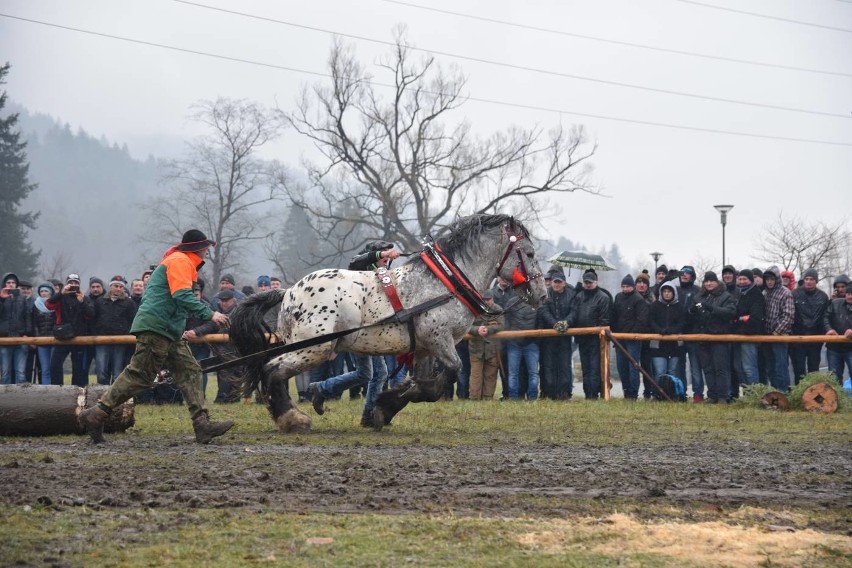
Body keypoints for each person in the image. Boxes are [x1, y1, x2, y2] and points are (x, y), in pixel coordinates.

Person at [77, 229, 235, 444]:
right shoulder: (180, 261)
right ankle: (96, 414)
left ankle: (202, 424)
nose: (207, 252)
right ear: (198, 248)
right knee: (139, 376)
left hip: (168, 330)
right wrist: (210, 313)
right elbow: (181, 295)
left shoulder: (181, 262)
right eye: (206, 247)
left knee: (190, 370)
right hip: (157, 327)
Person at [308, 240, 401, 426]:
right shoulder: (361, 269)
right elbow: (355, 261)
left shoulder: (384, 276)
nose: (387, 260)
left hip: (371, 330)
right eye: (383, 256)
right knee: (377, 374)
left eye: (388, 256)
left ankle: (322, 389)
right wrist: (381, 255)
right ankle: (367, 416)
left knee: (366, 374)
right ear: (375, 255)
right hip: (356, 330)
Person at [688, 271, 736, 403]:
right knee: (707, 368)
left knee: (720, 368)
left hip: (719, 337)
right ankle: (712, 395)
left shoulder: (726, 296)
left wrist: (712, 308)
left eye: (711, 281)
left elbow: (730, 312)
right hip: (703, 337)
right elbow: (691, 316)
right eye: (706, 281)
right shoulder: (698, 297)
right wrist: (692, 311)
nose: (709, 284)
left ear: (717, 282)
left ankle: (723, 396)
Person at [187, 289, 242, 403]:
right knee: (222, 373)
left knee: (232, 373)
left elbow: (214, 325)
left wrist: (197, 331)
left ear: (233, 300)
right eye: (222, 300)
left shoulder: (238, 311)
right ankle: (226, 398)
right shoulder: (215, 311)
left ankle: (226, 398)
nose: (224, 303)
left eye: (227, 300)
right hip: (220, 348)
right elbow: (211, 324)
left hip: (235, 347)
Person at [568, 269, 612, 399]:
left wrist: (595, 331)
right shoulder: (579, 296)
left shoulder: (603, 297)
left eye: (590, 282)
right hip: (582, 338)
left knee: (594, 367)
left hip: (595, 339)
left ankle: (594, 393)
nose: (588, 284)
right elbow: (574, 314)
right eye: (586, 282)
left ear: (596, 282)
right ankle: (587, 393)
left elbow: (604, 319)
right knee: (585, 367)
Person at [46, 274, 95, 386]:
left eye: (75, 283)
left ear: (79, 285)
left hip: (79, 338)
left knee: (78, 368)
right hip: (62, 337)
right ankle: (58, 391)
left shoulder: (84, 298)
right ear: (67, 284)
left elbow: (90, 315)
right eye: (70, 283)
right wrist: (60, 293)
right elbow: (48, 305)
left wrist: (82, 302)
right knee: (55, 365)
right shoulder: (60, 297)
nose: (73, 285)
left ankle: (76, 393)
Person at [92, 276, 138, 385]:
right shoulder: (100, 301)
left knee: (117, 372)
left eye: (121, 286)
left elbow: (133, 320)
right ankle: (102, 394)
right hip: (102, 340)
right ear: (110, 286)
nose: (118, 288)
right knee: (101, 371)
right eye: (116, 286)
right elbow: (93, 319)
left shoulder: (129, 303)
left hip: (120, 341)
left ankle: (115, 397)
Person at [537, 269, 575, 399]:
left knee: (565, 365)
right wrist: (554, 323)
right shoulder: (546, 294)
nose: (556, 284)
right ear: (551, 283)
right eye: (555, 282)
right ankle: (549, 392)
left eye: (559, 282)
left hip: (565, 336)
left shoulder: (571, 294)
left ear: (564, 283)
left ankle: (564, 392)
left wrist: (566, 323)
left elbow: (574, 311)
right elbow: (543, 310)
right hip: (549, 336)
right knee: (548, 365)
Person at [611, 274, 649, 400]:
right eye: (623, 286)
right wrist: (615, 334)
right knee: (621, 366)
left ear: (633, 287)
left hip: (633, 339)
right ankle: (626, 390)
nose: (625, 289)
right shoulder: (618, 297)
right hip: (619, 338)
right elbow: (614, 316)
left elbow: (641, 321)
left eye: (628, 286)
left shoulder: (638, 300)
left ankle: (633, 393)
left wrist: (631, 334)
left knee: (633, 366)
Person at [790, 268, 830, 385]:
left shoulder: (823, 296)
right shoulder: (795, 294)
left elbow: (824, 317)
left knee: (814, 370)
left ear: (816, 281)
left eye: (811, 279)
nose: (808, 281)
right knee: (799, 370)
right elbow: (791, 315)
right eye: (806, 279)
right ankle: (799, 395)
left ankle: (813, 396)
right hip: (797, 339)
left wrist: (821, 337)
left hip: (815, 339)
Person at [467, 290, 504, 400]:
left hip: (492, 348)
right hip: (476, 349)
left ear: (492, 299)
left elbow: (502, 325)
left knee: (490, 375)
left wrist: (488, 329)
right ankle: (474, 398)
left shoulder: (498, 309)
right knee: (475, 376)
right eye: (484, 299)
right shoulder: (473, 309)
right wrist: (476, 330)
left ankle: (487, 398)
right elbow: (466, 326)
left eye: (488, 299)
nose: (486, 301)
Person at [762, 266, 794, 392]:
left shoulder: (786, 293)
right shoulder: (764, 293)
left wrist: (777, 332)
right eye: (767, 279)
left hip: (780, 336)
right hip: (766, 336)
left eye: (772, 279)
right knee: (770, 367)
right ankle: (775, 392)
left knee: (781, 366)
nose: (769, 281)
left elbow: (789, 316)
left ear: (777, 279)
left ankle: (783, 392)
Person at [676, 265, 705, 402]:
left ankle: (698, 394)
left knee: (695, 367)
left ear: (692, 276)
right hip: (678, 333)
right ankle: (681, 393)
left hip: (694, 334)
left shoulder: (698, 291)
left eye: (687, 273)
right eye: (682, 273)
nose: (684, 275)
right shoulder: (675, 290)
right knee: (679, 366)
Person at [732, 269, 765, 387]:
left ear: (750, 280)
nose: (741, 281)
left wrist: (739, 320)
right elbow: (734, 316)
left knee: (749, 367)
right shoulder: (738, 294)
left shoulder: (756, 294)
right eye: (740, 279)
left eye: (744, 279)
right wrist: (740, 319)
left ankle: (754, 394)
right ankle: (747, 393)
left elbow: (755, 318)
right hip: (736, 336)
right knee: (738, 367)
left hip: (750, 336)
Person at [648, 280, 685, 383]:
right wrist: (659, 330)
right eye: (664, 291)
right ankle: (659, 395)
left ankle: (672, 395)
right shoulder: (655, 306)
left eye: (669, 291)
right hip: (658, 344)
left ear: (674, 293)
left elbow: (682, 322)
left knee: (673, 371)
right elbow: (651, 321)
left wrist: (672, 331)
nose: (667, 293)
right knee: (660, 371)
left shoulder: (680, 307)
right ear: (661, 293)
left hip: (675, 344)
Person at [0, 272, 33, 385]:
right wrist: (2, 299)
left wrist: (27, 334)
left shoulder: (22, 299)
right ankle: (4, 400)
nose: (11, 284)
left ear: (16, 284)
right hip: (4, 339)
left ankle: (22, 400)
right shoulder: (1, 298)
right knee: (5, 373)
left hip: (21, 339)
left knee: (20, 373)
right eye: (8, 282)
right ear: (4, 284)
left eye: (13, 282)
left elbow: (27, 317)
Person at [824, 288, 852, 380]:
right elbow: (825, 317)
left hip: (850, 347)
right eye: (848, 293)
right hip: (834, 347)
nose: (850, 296)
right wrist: (829, 329)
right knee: (834, 378)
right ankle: (838, 395)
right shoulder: (835, 303)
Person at [32, 282, 56, 385]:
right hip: (41, 341)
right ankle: (46, 390)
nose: (44, 293)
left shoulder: (56, 304)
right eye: (41, 291)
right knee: (45, 368)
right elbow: (34, 323)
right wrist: (37, 338)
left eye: (46, 291)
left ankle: (56, 389)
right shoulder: (36, 305)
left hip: (55, 341)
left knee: (53, 367)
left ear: (50, 292)